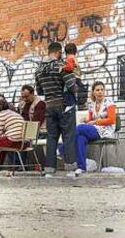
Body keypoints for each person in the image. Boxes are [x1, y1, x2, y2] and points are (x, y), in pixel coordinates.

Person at [35, 42, 78, 178]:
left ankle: (49, 170)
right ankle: (70, 169)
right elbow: (72, 85)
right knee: (68, 136)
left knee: (51, 138)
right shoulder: (61, 66)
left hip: (49, 106)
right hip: (64, 105)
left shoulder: (39, 70)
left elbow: (39, 90)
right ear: (59, 52)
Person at [75, 81, 116, 175]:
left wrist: (95, 122)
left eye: (102, 90)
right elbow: (90, 119)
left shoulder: (109, 103)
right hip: (94, 129)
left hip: (105, 130)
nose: (100, 92)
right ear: (93, 92)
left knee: (79, 128)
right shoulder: (92, 105)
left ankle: (62, 149)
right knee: (80, 138)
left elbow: (112, 120)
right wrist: (85, 120)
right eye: (97, 90)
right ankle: (81, 167)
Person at [0, 98, 24, 171]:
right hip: (23, 142)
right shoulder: (14, 113)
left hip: (13, 141)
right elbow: (4, 133)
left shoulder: (1, 114)